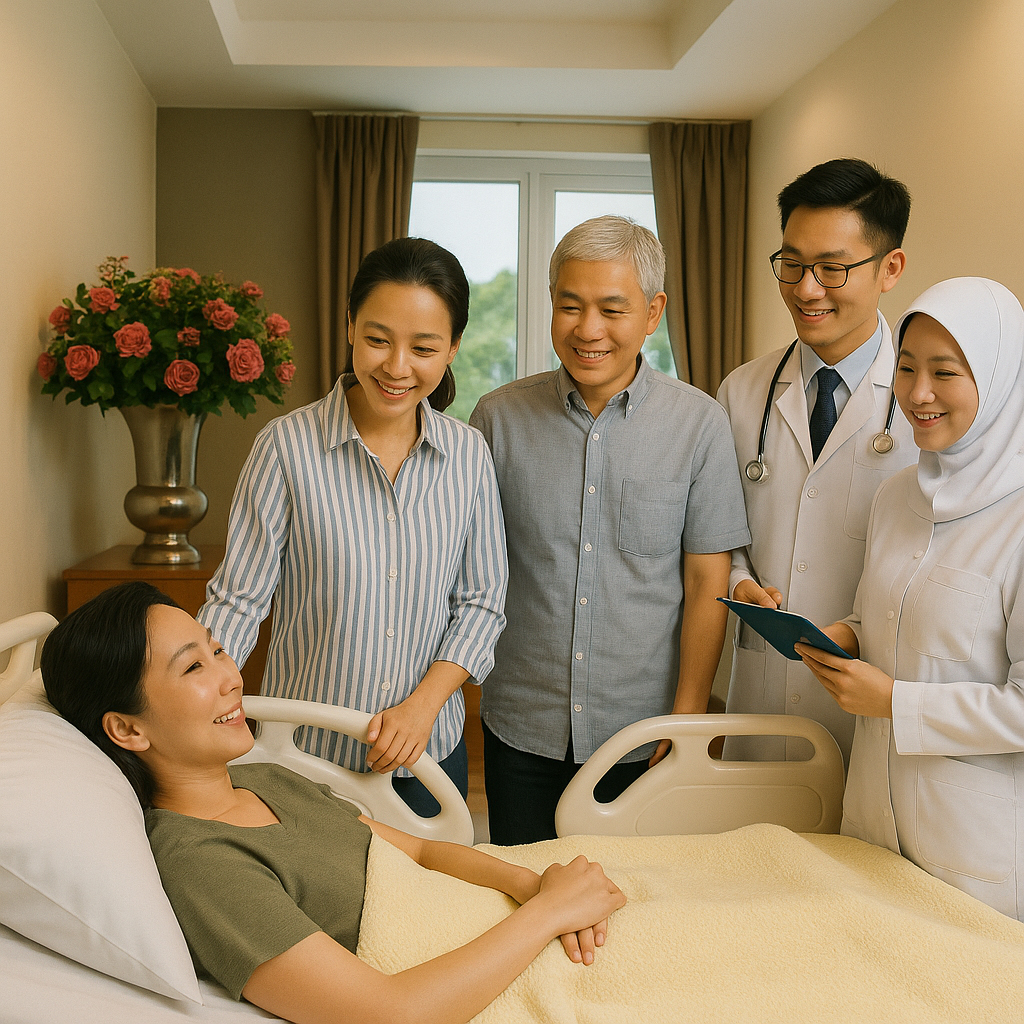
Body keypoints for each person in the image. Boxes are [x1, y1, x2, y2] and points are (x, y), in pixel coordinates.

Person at [40, 582, 625, 1022]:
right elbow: (388, 1014)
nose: (231, 677)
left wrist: (534, 886)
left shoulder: (266, 779)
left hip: (520, 928)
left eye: (218, 651)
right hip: (505, 977)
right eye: (194, 666)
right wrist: (548, 915)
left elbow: (420, 851)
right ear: (126, 730)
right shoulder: (203, 863)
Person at [198, 238, 507, 816]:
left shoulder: (469, 455)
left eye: (423, 347)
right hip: (303, 761)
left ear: (453, 348)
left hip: (426, 757)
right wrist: (191, 701)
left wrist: (422, 708)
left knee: (428, 904)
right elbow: (239, 600)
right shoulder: (286, 448)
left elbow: (482, 602)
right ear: (349, 327)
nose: (396, 367)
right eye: (377, 339)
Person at [470, 215, 750, 845]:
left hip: (645, 734)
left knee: (642, 917)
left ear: (653, 314)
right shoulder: (497, 420)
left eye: (611, 309)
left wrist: (687, 719)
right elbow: (467, 568)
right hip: (522, 724)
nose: (587, 329)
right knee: (526, 901)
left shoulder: (699, 425)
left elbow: (709, 576)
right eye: (569, 306)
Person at [797, 277, 1024, 921]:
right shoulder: (898, 497)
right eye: (905, 368)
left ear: (1001, 379)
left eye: (945, 372)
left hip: (976, 853)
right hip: (873, 822)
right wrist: (839, 636)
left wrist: (895, 704)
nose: (918, 394)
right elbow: (883, 616)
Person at [716, 158, 916, 765]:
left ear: (890, 269)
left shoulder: (926, 403)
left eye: (832, 269)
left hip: (874, 701)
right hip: (760, 698)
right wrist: (739, 581)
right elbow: (716, 533)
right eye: (793, 265)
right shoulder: (741, 393)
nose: (806, 289)